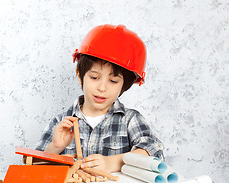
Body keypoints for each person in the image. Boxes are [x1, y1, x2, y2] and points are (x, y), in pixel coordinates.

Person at [35, 24, 164, 173]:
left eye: (113, 81)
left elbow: (155, 154)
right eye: (94, 77)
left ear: (124, 86)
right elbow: (32, 170)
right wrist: (54, 148)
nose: (102, 88)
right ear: (80, 76)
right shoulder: (61, 122)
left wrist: (112, 163)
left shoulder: (130, 120)